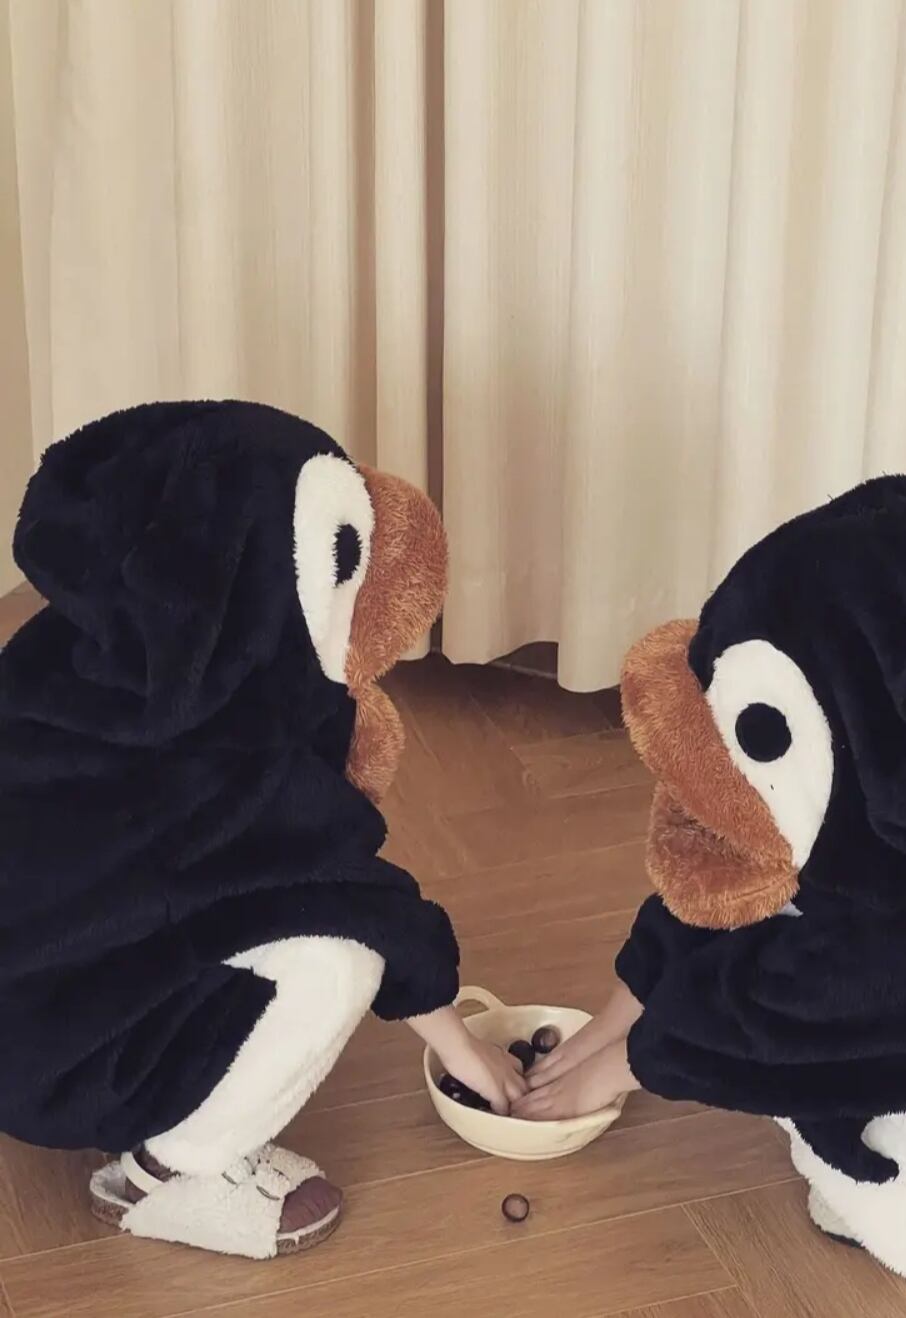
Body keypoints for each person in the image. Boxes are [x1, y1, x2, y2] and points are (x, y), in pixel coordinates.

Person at [515, 476, 906, 1307]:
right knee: (775, 897)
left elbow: (805, 1006)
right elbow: (727, 888)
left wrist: (627, 1065)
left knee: (828, 1045)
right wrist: (613, 1018)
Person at [0, 401, 524, 1259]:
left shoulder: (59, 664)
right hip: (57, 1061)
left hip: (42, 1005)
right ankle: (165, 1176)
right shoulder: (222, 756)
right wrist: (457, 1041)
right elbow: (341, 891)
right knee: (341, 959)